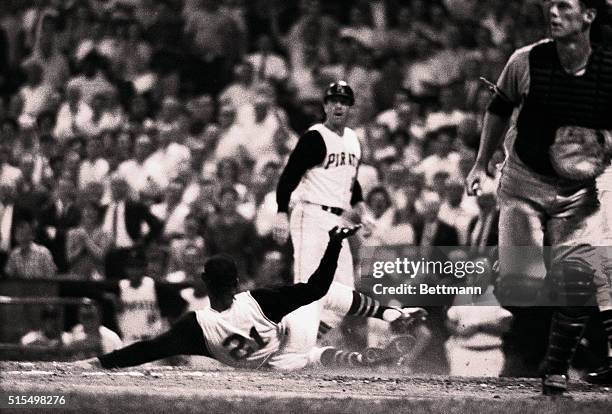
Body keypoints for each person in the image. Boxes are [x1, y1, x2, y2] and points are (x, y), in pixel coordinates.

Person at [465, 0, 612, 395]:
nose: (553, 12)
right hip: (523, 182)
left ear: (589, 16)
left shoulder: (607, 68)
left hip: (577, 190)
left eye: (564, 6)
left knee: (581, 274)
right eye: (551, 6)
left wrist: (602, 146)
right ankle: (545, 354)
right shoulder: (525, 60)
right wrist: (480, 163)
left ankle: (556, 369)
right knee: (523, 282)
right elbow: (498, 109)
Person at [78, 226, 425, 370]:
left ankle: (357, 358)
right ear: (236, 282)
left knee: (306, 357)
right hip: (287, 345)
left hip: (272, 368)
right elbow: (318, 286)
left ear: (205, 281)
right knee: (321, 300)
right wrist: (334, 243)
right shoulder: (259, 300)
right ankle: (391, 317)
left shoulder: (196, 326)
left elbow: (147, 350)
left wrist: (99, 362)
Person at [273, 81, 365, 360]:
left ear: (350, 108)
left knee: (343, 295)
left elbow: (349, 179)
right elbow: (289, 175)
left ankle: (294, 347)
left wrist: (359, 203)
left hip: (338, 221)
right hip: (310, 215)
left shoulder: (352, 139)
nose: (338, 105)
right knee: (307, 289)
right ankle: (289, 349)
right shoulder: (315, 137)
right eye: (333, 100)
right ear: (324, 106)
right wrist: (280, 211)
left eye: (344, 101)